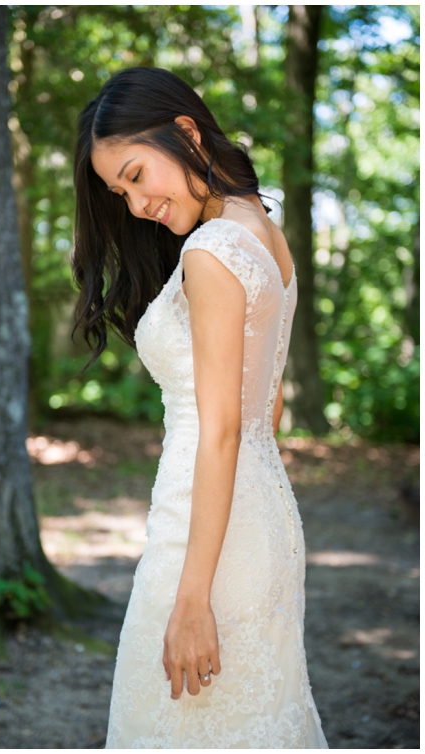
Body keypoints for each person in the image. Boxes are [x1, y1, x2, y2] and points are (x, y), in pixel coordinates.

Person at [71, 68, 328, 748]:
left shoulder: (213, 253)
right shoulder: (264, 235)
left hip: (204, 537)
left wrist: (192, 600)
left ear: (184, 132)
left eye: (135, 174)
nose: (134, 204)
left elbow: (220, 430)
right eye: (118, 191)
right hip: (262, 519)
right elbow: (265, 415)